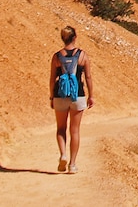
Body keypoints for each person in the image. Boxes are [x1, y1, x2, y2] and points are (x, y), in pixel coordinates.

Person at [49, 26, 94, 173]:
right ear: (75, 37)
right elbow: (88, 77)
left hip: (60, 95)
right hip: (78, 96)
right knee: (74, 130)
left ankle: (63, 154)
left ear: (63, 38)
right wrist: (91, 95)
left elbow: (51, 79)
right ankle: (72, 164)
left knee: (61, 128)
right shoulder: (82, 55)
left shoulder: (56, 56)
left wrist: (51, 96)